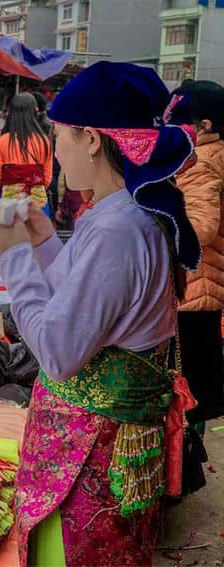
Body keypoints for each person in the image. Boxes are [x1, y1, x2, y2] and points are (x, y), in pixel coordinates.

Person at [0, 61, 200, 565]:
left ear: (91, 140)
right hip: (96, 447)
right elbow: (81, 303)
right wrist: (42, 241)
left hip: (89, 455)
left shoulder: (117, 229)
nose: (55, 149)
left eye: (60, 134)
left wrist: (14, 255)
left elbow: (59, 351)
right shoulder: (122, 213)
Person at [171, 79, 224, 429]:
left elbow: (201, 228)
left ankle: (186, 455)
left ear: (204, 125)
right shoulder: (210, 154)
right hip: (202, 287)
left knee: (188, 394)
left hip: (194, 290)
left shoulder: (200, 162)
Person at [0, 93, 54, 216]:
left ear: (11, 113)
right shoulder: (44, 141)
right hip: (37, 202)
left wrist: (3, 195)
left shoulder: (2, 141)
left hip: (9, 203)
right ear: (35, 111)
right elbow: (47, 178)